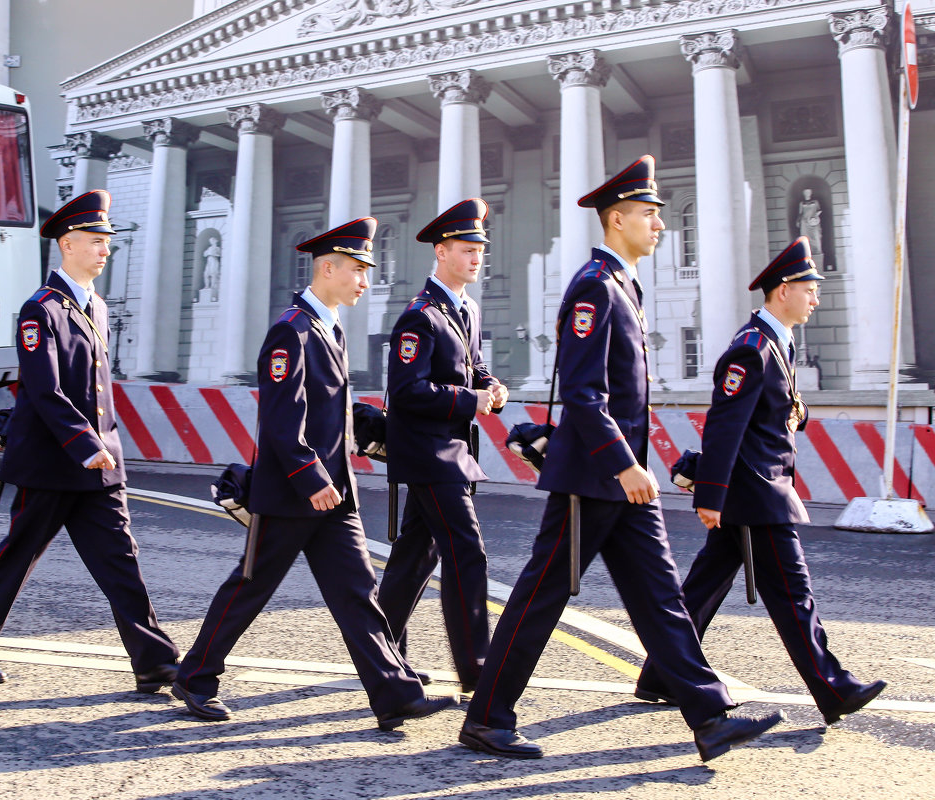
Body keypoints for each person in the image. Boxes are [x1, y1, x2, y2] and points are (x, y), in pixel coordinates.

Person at [458, 155, 783, 762]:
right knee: (539, 596)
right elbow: (584, 394)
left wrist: (631, 464)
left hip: (622, 477)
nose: (659, 225)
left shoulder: (623, 285)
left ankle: (709, 718)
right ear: (616, 220)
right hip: (596, 477)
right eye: (649, 215)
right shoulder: (593, 287)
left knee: (661, 596)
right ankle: (487, 719)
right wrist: (623, 463)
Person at [172, 218, 454, 731]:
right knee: (250, 587)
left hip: (333, 494)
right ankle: (195, 677)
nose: (365, 280)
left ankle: (394, 694)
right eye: (358, 270)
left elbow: (330, 411)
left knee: (357, 593)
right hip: (293, 494)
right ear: (328, 268)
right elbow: (282, 422)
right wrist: (311, 477)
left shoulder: (328, 327)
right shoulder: (292, 330)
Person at [635, 236, 886, 726]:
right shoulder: (751, 349)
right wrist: (711, 496)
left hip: (756, 490)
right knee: (793, 594)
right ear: (782, 290)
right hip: (754, 494)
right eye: (809, 289)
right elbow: (724, 426)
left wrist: (798, 410)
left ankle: (661, 675)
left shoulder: (775, 343)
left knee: (705, 585)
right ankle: (832, 688)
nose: (816, 298)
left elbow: (770, 408)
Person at [0, 190, 179, 687]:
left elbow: (96, 388)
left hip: (99, 463)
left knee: (121, 560)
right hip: (53, 462)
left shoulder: (94, 305)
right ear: (68, 243)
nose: (105, 250)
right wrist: (85, 443)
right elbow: (45, 388)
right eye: (96, 241)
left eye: (108, 242)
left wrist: (106, 446)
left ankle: (154, 661)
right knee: (18, 557)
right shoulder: (41, 310)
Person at [378, 198, 507, 694]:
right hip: (428, 453)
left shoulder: (466, 309)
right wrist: (471, 400)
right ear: (441, 252)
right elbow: (408, 391)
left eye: (481, 248)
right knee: (466, 553)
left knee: (416, 556)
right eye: (467, 248)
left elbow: (470, 368)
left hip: (453, 449)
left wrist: (491, 385)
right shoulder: (420, 317)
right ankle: (478, 670)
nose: (477, 257)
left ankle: (380, 652)